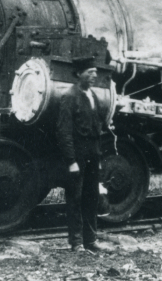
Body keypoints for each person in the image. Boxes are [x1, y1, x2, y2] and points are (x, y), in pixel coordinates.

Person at [57, 56, 110, 252]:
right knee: (75, 198)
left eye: (95, 72)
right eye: (90, 72)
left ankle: (91, 240)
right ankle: (76, 242)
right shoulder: (69, 97)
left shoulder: (93, 96)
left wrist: (98, 158)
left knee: (91, 197)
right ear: (79, 74)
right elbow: (64, 132)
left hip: (92, 154)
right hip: (77, 156)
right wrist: (71, 161)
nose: (94, 76)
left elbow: (98, 129)